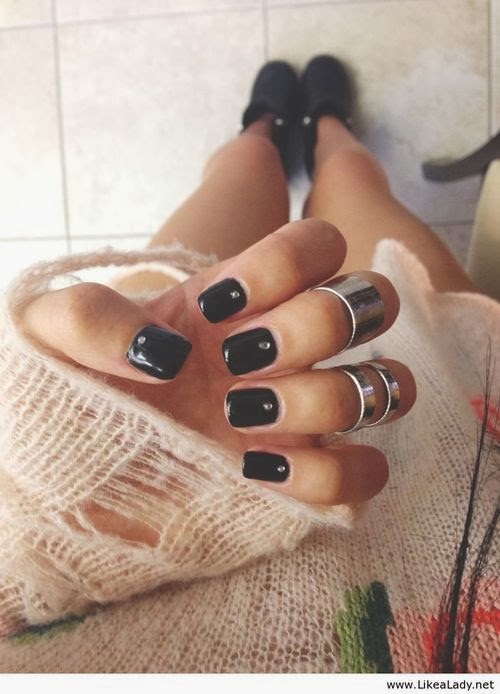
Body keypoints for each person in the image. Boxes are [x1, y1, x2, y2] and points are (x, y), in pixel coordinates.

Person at [0, 57, 497, 674]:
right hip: (457, 433)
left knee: (247, 169)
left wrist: (64, 497)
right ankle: (330, 128)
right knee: (352, 182)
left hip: (163, 378)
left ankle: (266, 126)